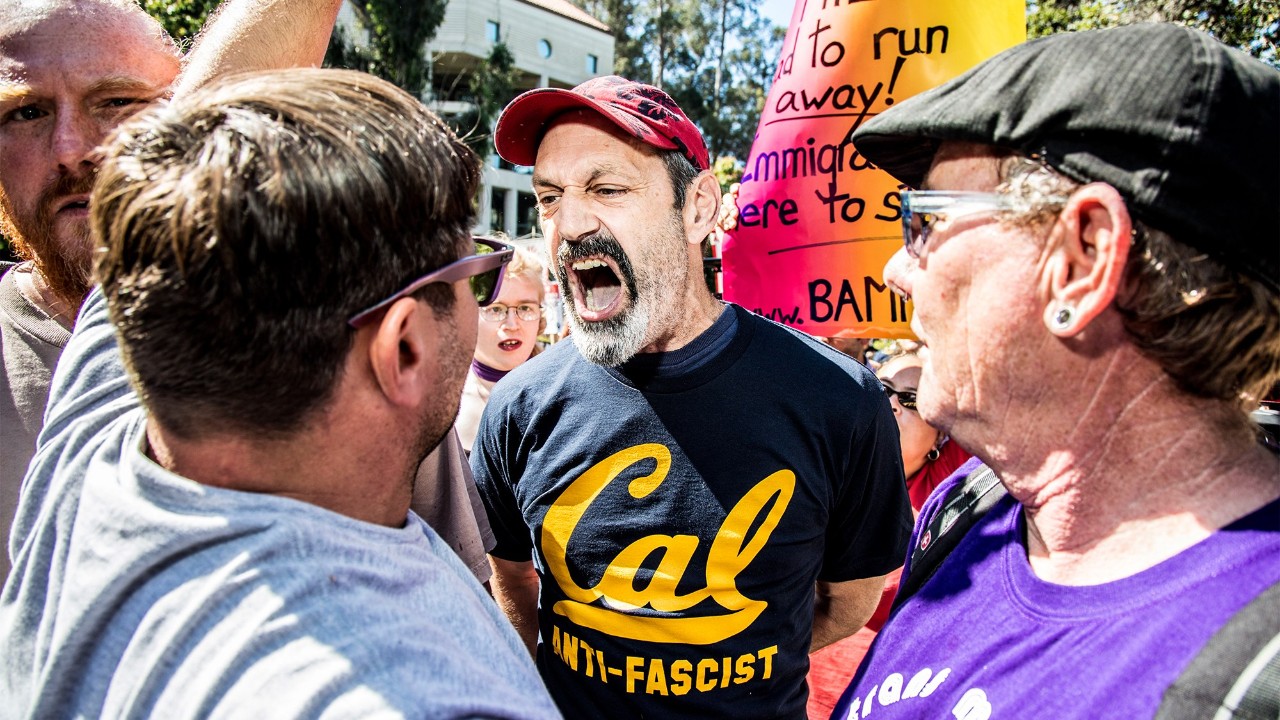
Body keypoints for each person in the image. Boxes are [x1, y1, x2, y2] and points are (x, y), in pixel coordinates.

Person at [0, 67, 561, 718]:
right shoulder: (412, 699)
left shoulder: (93, 452)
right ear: (403, 345)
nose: (483, 304)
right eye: (477, 275)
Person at [830, 23, 1280, 719]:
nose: (895, 272)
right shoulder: (970, 508)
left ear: (1082, 260)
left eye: (922, 221)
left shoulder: (1257, 672)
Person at [0, 0, 489, 587]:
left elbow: (459, 585)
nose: (71, 148)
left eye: (118, 103)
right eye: (25, 112)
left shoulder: (348, 346)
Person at [473, 75, 913, 719]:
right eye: (548, 197)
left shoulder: (840, 399)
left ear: (699, 208)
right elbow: (512, 580)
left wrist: (746, 648)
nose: (568, 224)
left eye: (608, 189)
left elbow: (848, 599)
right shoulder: (517, 407)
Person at [806, 345, 971, 718]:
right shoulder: (826, 471)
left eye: (911, 399)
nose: (892, 404)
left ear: (941, 438)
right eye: (883, 389)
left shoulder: (955, 488)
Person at [455, 245, 547, 453]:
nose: (512, 324)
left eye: (525, 308)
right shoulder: (444, 400)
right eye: (496, 309)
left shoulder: (560, 392)